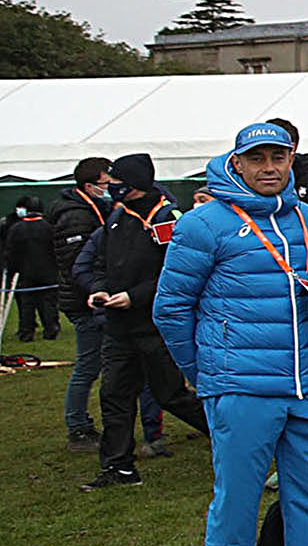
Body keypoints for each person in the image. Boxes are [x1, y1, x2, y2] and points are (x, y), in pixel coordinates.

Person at [152, 121, 308, 546]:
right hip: (241, 389)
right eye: (258, 159)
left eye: (278, 158)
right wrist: (205, 372)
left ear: (291, 161)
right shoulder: (204, 224)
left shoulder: (304, 216)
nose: (269, 168)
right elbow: (170, 307)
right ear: (237, 163)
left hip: (306, 384)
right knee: (237, 505)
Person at [75, 153, 208, 488]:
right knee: (114, 395)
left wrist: (135, 296)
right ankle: (118, 466)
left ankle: (237, 438)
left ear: (133, 184)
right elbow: (101, 262)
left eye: (115, 182)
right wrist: (99, 289)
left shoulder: (165, 217)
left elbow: (175, 271)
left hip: (154, 324)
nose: (111, 188)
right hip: (118, 325)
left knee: (171, 395)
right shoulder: (117, 217)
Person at [50, 156, 120, 445]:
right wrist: (97, 291)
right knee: (88, 365)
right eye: (107, 183)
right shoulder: (76, 216)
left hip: (89, 297)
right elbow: (79, 263)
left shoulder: (92, 209)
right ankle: (77, 426)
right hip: (83, 302)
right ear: (90, 186)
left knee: (98, 364)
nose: (111, 188)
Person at [6, 197, 58, 340]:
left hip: (24, 273)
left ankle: (26, 332)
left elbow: (10, 252)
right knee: (48, 302)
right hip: (48, 272)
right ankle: (51, 328)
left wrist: (11, 270)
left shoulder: (16, 229)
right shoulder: (49, 227)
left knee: (26, 304)